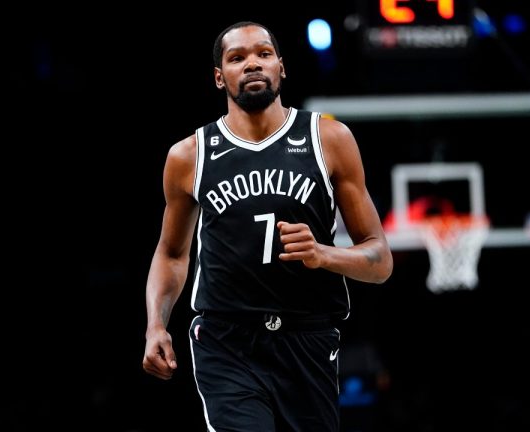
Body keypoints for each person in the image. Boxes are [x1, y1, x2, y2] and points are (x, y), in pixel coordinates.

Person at [142, 21, 393, 431]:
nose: (253, 64)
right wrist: (155, 324)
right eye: (237, 58)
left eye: (263, 53)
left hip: (308, 337)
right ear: (220, 78)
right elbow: (171, 254)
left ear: (281, 66)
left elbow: (380, 260)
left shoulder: (328, 138)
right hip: (227, 342)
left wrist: (323, 254)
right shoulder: (189, 155)